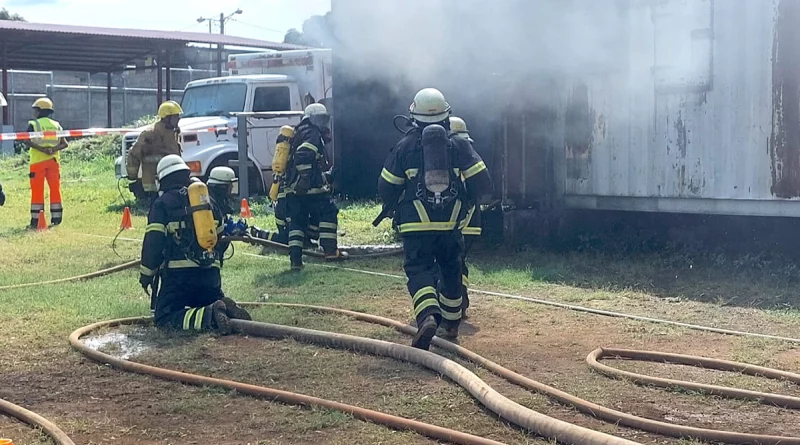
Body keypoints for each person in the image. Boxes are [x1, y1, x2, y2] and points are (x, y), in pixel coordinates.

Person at [378, 88, 491, 350]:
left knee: (419, 269)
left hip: (415, 225)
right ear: (446, 116)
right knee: (451, 267)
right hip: (451, 224)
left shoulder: (404, 146)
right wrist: (467, 200)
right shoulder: (460, 145)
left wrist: (394, 203)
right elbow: (482, 182)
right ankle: (451, 324)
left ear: (413, 116)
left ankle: (428, 315)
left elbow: (385, 186)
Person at [139, 155, 251, 333]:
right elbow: (221, 241)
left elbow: (153, 243)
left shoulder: (162, 204)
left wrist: (146, 275)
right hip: (210, 277)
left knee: (165, 318)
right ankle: (222, 307)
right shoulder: (208, 202)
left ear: (163, 179)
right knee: (209, 301)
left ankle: (210, 316)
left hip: (179, 278)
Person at [282, 103, 346, 270]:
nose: (323, 123)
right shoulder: (312, 133)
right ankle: (330, 251)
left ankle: (295, 260)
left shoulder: (298, 132)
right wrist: (305, 178)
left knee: (297, 222)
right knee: (328, 213)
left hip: (292, 189)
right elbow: (303, 155)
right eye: (320, 119)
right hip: (309, 188)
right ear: (311, 119)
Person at [449, 116, 481, 319]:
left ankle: (456, 303)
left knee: (451, 263)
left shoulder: (449, 158)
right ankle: (461, 302)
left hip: (456, 223)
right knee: (459, 262)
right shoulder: (470, 156)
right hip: (471, 223)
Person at [126, 101, 183, 205]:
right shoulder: (150, 133)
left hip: (169, 180)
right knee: (156, 210)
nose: (178, 119)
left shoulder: (173, 132)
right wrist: (132, 175)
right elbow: (134, 153)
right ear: (166, 118)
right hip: (153, 183)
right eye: (175, 116)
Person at [24, 98, 68, 228]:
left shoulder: (34, 124)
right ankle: (57, 217)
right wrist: (53, 149)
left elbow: (26, 140)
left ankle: (36, 220)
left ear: (40, 110)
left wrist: (43, 149)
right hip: (53, 162)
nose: (34, 113)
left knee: (37, 191)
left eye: (35, 110)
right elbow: (64, 143)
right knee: (55, 189)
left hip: (38, 161)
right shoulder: (57, 125)